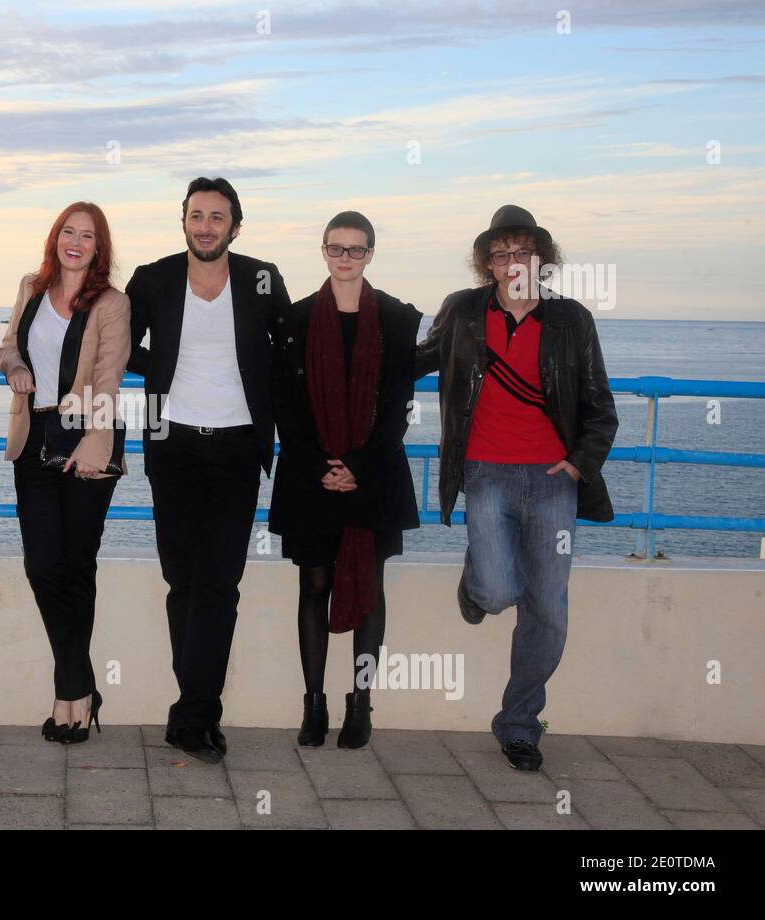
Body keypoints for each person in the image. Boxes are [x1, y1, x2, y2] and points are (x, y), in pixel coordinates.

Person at [414, 204, 618, 771]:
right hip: (483, 473)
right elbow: (413, 363)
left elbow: (601, 406)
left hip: (555, 481)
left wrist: (578, 464)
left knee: (547, 612)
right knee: (500, 592)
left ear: (542, 260)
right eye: (500, 254)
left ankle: (520, 725)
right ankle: (478, 583)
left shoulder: (571, 321)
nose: (512, 262)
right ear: (487, 264)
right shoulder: (462, 311)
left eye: (522, 251)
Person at [126, 177, 290, 764]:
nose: (206, 226)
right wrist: (163, 366)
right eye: (196, 215)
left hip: (239, 449)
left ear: (235, 227)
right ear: (185, 222)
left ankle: (196, 714)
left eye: (217, 217)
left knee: (220, 583)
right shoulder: (154, 277)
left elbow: (289, 351)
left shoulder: (262, 277)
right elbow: (119, 340)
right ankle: (196, 709)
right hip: (172, 446)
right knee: (183, 582)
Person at [269, 211, 422, 748]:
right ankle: (315, 704)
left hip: (373, 473)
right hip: (310, 474)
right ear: (324, 251)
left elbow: (398, 405)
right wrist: (320, 465)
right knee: (314, 585)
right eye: (336, 248)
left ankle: (361, 703)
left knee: (369, 590)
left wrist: (357, 464)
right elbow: (284, 405)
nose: (345, 258)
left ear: (370, 254)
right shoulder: (293, 320)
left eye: (355, 250)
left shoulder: (400, 321)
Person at [0, 202, 131, 745]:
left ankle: (68, 698)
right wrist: (17, 368)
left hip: (86, 442)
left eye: (88, 236)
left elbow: (109, 373)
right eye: (68, 233)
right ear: (55, 238)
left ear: (100, 248)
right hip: (34, 441)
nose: (76, 242)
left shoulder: (111, 303)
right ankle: (81, 683)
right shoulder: (31, 287)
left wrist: (96, 441)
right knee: (42, 566)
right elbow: (8, 345)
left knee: (76, 567)